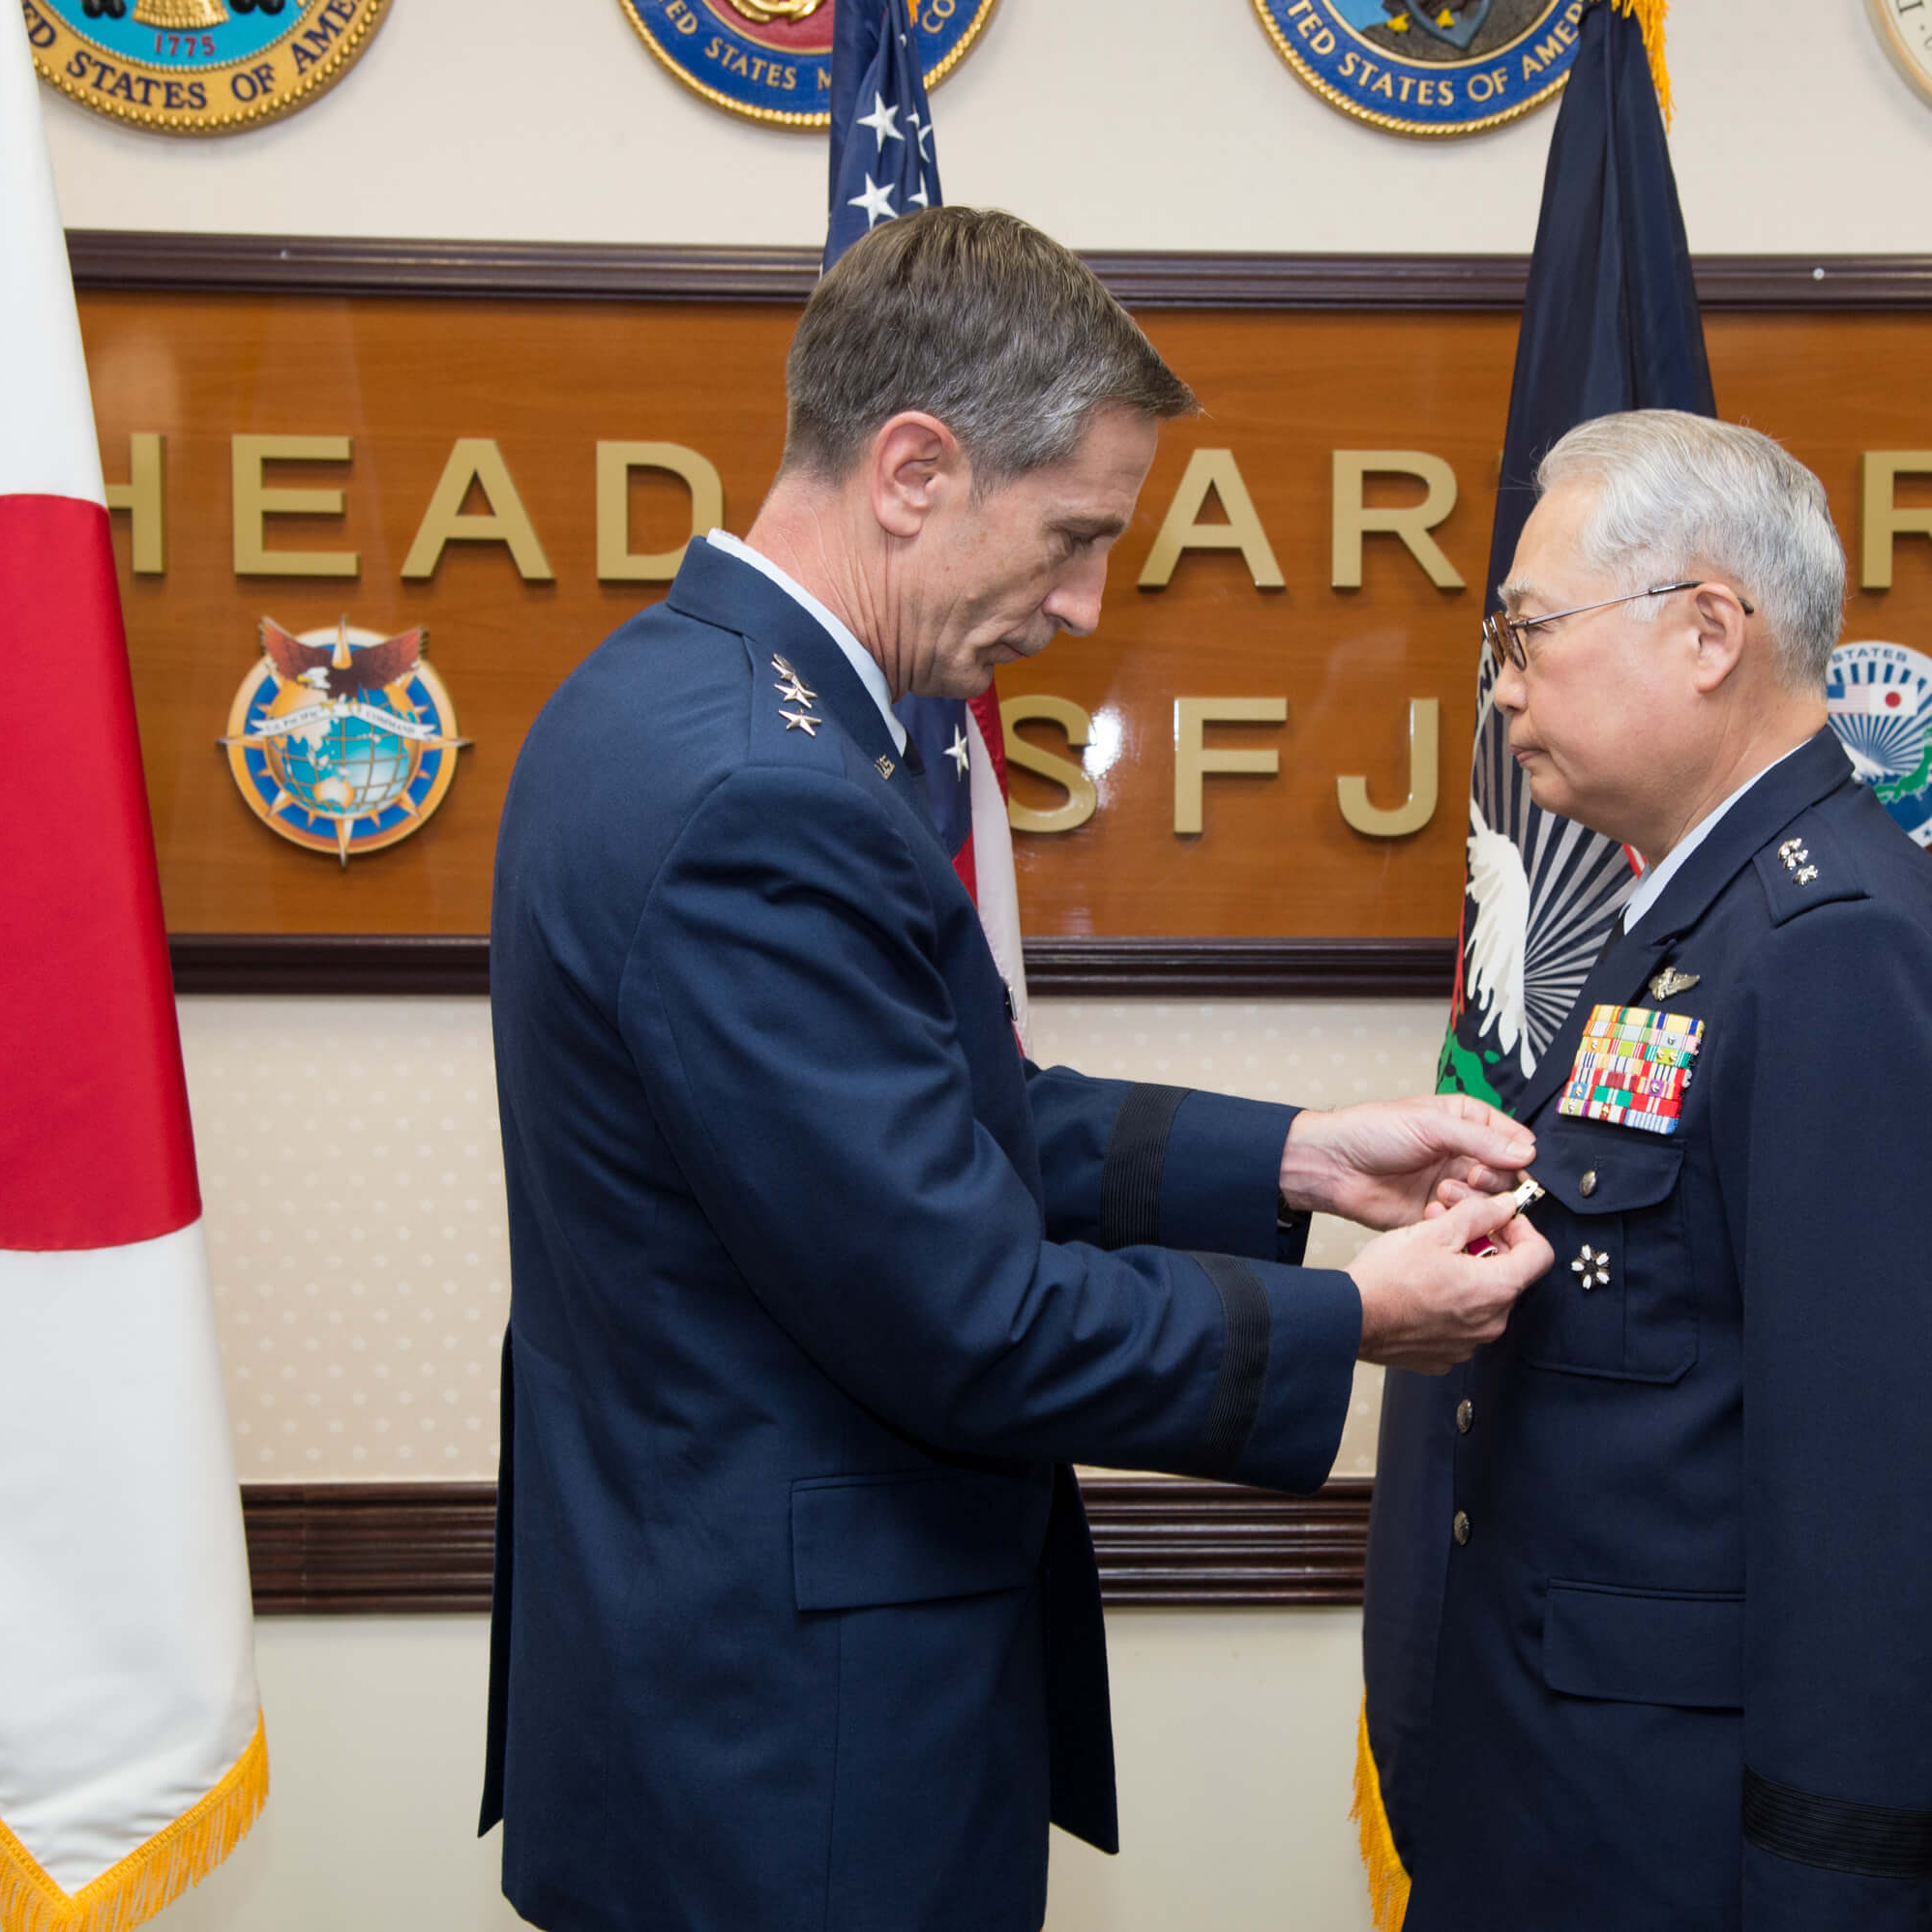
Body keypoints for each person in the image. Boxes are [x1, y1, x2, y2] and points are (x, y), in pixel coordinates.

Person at [477, 205, 1553, 1932]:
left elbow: (939, 1129)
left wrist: (1302, 1159)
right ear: (912, 469)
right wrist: (1363, 1316)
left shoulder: (676, 702)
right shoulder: (768, 790)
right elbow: (969, 1315)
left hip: (727, 1686)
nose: (1082, 600)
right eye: (1070, 533)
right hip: (796, 1762)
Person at [1359, 410, 1932, 1930]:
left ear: (1711, 630)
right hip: (1576, 1801)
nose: (1502, 687)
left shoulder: (1830, 940)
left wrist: (1826, 1890)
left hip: (1703, 1849)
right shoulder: (1682, 922)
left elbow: (1879, 1498)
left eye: (1527, 633)